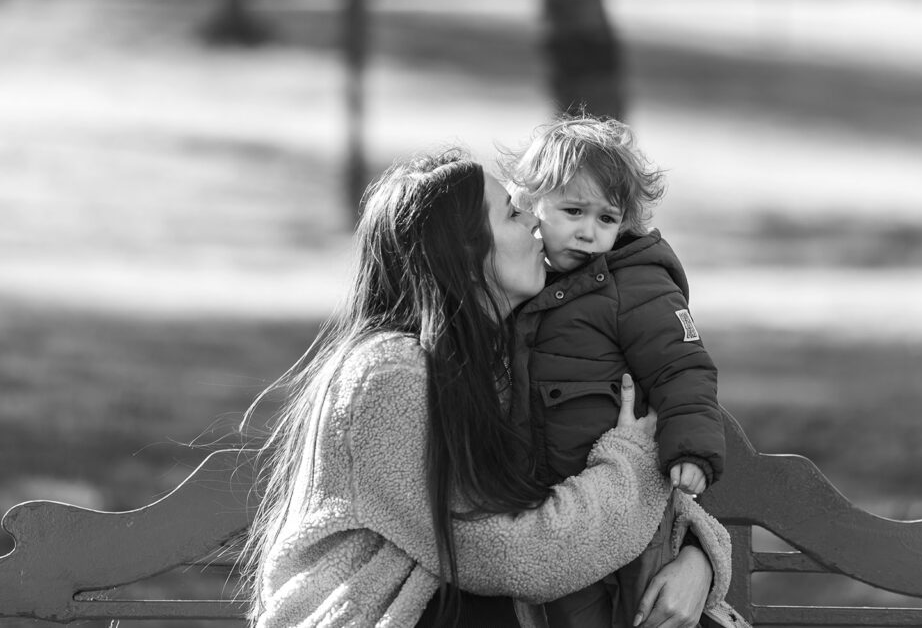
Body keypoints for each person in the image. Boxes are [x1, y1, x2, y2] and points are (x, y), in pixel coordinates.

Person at [241, 149, 744, 628]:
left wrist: (699, 558)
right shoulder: (388, 380)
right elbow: (511, 555)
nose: (533, 222)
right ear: (461, 251)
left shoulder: (499, 362)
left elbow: (562, 475)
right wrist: (633, 459)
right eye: (511, 214)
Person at [504, 116, 727, 628]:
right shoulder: (523, 281)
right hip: (552, 511)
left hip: (628, 501)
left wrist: (692, 449)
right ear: (529, 202)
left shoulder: (637, 285)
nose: (588, 232)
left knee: (639, 609)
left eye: (606, 218)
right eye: (573, 211)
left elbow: (684, 369)